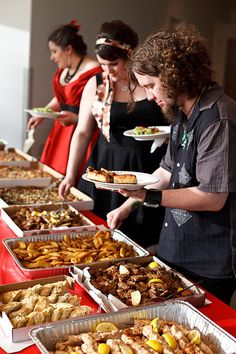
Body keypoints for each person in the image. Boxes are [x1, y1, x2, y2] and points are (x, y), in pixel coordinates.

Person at [107, 24, 236, 304]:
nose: (150, 96)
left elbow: (212, 197)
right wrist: (129, 204)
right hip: (175, 248)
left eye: (151, 85)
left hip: (208, 260)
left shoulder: (218, 117)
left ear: (173, 73)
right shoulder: (181, 111)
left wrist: (149, 196)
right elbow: (166, 171)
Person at [59, 20, 167, 248]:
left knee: (138, 240)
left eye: (114, 64)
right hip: (105, 164)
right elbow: (82, 133)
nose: (107, 71)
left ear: (131, 55)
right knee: (96, 240)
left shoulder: (150, 82)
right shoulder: (96, 83)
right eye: (102, 64)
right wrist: (70, 174)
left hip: (144, 167)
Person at [27, 20, 101, 176]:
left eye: (54, 51)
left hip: (82, 132)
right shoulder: (64, 70)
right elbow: (62, 98)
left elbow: (102, 109)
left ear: (68, 49)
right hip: (60, 131)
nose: (51, 57)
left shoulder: (95, 71)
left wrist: (76, 119)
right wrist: (43, 114)